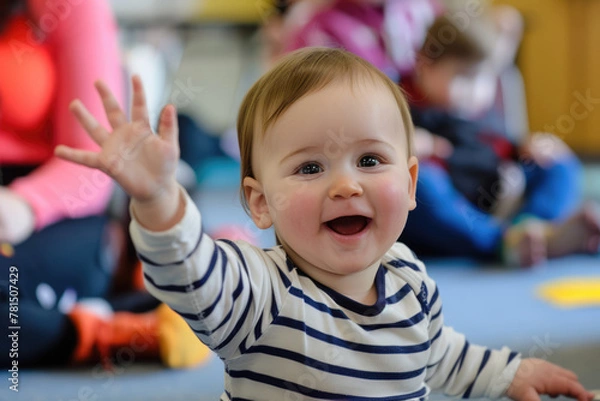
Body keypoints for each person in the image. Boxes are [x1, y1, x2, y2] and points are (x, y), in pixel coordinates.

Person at [56, 47, 594, 400]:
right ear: (260, 203)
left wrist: (507, 374)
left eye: (369, 161)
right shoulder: (260, 293)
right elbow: (191, 273)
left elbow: (437, 353)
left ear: (410, 185)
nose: (345, 186)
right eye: (310, 168)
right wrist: (156, 197)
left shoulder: (409, 278)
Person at [0, 0, 209, 368]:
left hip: (55, 210)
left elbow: (91, 164)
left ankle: (107, 328)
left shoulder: (70, 7)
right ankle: (114, 317)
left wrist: (22, 206)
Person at [398, 14, 600, 267]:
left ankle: (533, 231)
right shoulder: (400, 100)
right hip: (450, 206)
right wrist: (407, 145)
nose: (476, 91)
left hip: (496, 191)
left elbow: (498, 145)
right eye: (463, 77)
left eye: (484, 78)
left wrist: (525, 147)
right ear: (425, 66)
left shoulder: (479, 110)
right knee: (418, 185)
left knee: (559, 163)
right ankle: (505, 242)